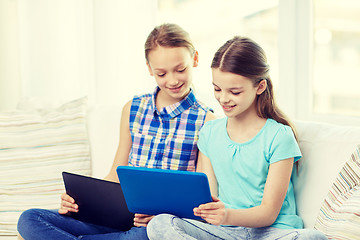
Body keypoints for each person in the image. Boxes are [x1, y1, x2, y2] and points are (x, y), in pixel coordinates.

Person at [17, 23, 216, 240]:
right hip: (115, 217)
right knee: (29, 218)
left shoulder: (206, 120)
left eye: (180, 69)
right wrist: (80, 202)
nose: (173, 80)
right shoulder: (133, 108)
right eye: (161, 73)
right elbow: (115, 174)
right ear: (150, 69)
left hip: (154, 227)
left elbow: (201, 198)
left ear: (195, 59)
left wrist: (165, 217)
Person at [146, 36, 328, 239]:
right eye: (217, 89)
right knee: (160, 223)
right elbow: (206, 198)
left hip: (273, 232)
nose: (223, 99)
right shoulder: (209, 132)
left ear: (259, 87)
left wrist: (227, 215)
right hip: (225, 232)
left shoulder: (279, 136)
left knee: (313, 237)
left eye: (234, 91)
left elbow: (268, 212)